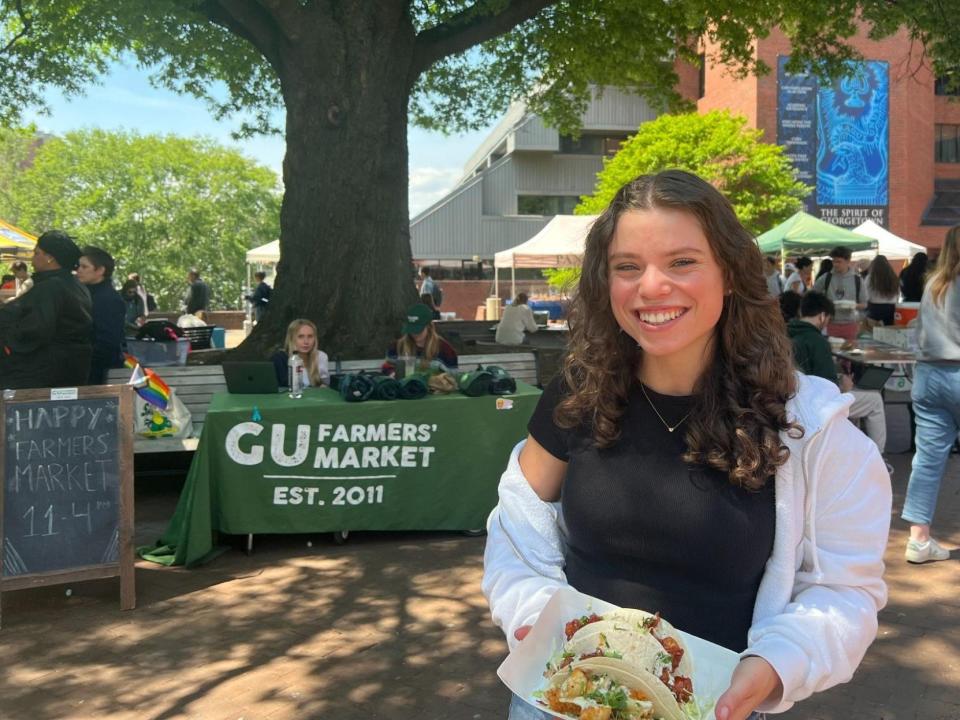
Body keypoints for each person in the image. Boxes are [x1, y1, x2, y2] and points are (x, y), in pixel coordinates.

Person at [481, 170, 890, 720]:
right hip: (562, 696)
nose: (651, 287)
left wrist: (776, 663)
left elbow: (844, 590)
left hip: (713, 707)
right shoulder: (581, 393)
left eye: (682, 262)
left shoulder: (804, 425)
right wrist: (535, 612)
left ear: (728, 273)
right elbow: (515, 525)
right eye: (628, 267)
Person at [901, 226, 960, 564]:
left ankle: (919, 540)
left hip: (928, 376)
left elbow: (918, 331)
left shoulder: (933, 286)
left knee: (927, 461)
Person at [787, 291, 889, 459]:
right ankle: (878, 458)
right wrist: (844, 386)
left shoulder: (785, 333)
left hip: (791, 401)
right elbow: (828, 386)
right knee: (874, 400)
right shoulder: (817, 341)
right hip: (815, 405)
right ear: (822, 316)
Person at [0, 230, 92, 388]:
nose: (32, 259)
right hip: (71, 368)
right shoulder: (76, 285)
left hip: (41, 372)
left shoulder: (52, 287)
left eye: (37, 253)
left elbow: (35, 329)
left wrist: (7, 332)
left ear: (50, 258)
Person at [77, 246, 126, 384]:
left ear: (100, 270)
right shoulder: (85, 293)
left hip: (98, 373)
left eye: (84, 267)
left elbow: (108, 342)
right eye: (78, 266)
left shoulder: (108, 299)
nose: (79, 270)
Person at [812, 246, 866, 341]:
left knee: (849, 353)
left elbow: (864, 304)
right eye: (834, 261)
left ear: (848, 261)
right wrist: (824, 305)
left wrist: (852, 305)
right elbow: (812, 295)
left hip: (851, 324)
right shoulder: (826, 278)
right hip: (830, 324)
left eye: (839, 262)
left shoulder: (857, 280)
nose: (835, 264)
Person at [385, 302, 458, 372]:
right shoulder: (397, 347)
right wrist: (392, 373)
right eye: (411, 329)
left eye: (418, 330)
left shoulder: (446, 350)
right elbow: (387, 366)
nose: (414, 334)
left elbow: (452, 378)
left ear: (429, 327)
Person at [271, 318, 330, 388]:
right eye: (301, 337)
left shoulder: (320, 357)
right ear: (291, 338)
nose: (306, 342)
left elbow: (325, 386)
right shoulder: (280, 359)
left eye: (310, 336)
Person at [864, 254, 900, 326]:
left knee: (874, 333)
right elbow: (898, 294)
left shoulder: (870, 278)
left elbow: (866, 295)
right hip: (891, 308)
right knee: (889, 331)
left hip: (874, 308)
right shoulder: (893, 277)